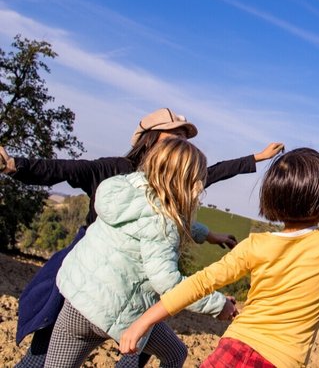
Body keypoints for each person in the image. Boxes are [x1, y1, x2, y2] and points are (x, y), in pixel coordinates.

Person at [0, 107, 283, 367]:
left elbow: (209, 180)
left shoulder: (167, 180)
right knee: (39, 356)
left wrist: (255, 160)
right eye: (176, 136)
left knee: (148, 346)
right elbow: (61, 169)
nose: (183, 144)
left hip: (120, 293)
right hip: (87, 278)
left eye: (186, 139)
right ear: (151, 138)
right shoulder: (114, 169)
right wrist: (14, 164)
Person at [120, 147, 319, 367]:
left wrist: (144, 321)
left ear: (272, 196)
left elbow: (199, 283)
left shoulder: (255, 245)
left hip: (233, 347)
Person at [44, 138, 237, 368]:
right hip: (122, 312)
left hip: (78, 299)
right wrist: (218, 304)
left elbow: (161, 220)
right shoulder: (162, 222)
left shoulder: (124, 187)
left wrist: (209, 235)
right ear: (187, 183)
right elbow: (167, 281)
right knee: (175, 355)